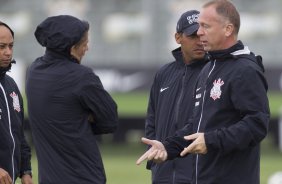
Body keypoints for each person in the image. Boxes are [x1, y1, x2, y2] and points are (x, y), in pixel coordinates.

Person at [137, 0, 270, 184]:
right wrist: (168, 147)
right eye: (199, 27)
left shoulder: (245, 69)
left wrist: (211, 140)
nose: (199, 33)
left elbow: (257, 124)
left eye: (205, 26)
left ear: (228, 29)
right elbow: (198, 124)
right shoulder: (210, 69)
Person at [25, 15, 118, 184]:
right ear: (71, 48)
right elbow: (110, 120)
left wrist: (72, 119)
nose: (87, 48)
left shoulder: (34, 71)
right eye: (84, 43)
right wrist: (82, 119)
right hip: (83, 177)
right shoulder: (82, 77)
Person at [145, 10, 205, 184]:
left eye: (202, 35)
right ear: (178, 38)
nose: (200, 41)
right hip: (162, 172)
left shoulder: (213, 72)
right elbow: (152, 120)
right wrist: (154, 153)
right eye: (193, 36)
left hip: (197, 172)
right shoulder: (164, 73)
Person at [0, 21, 33, 184]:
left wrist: (26, 170)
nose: (8, 52)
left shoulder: (11, 85)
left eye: (11, 46)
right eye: (1, 47)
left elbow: (18, 134)